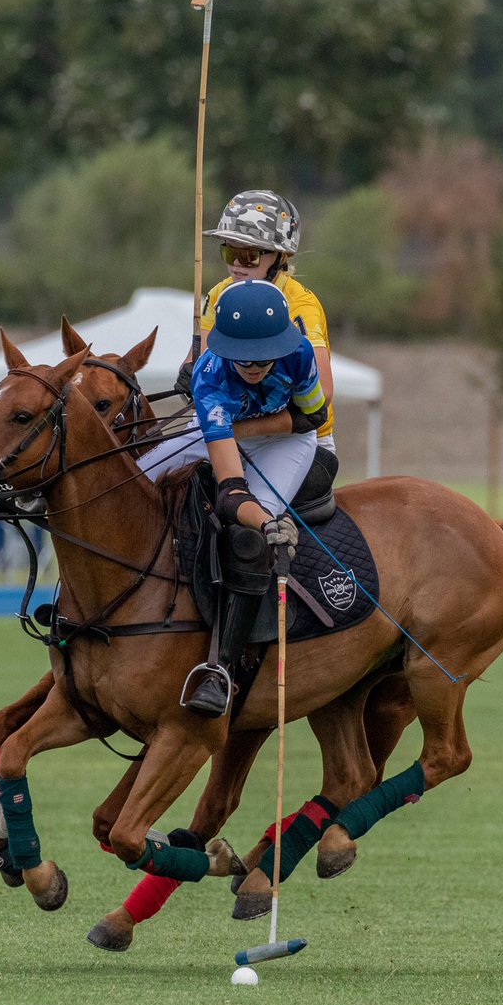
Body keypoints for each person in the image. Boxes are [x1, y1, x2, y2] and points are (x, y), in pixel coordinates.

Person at [138, 278, 328, 717]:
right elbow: (229, 490)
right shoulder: (211, 376)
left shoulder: (299, 354)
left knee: (248, 540)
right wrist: (221, 435)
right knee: (139, 477)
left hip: (285, 442)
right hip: (220, 434)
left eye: (264, 356)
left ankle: (220, 668)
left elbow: (312, 416)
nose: (255, 365)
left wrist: (262, 524)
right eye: (244, 355)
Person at [176, 189, 337, 458]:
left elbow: (325, 392)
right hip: (231, 431)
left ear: (280, 257)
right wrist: (189, 373)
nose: (237, 265)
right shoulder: (218, 294)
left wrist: (237, 430)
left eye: (249, 254)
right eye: (230, 252)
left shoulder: (299, 306)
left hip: (298, 437)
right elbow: (203, 360)